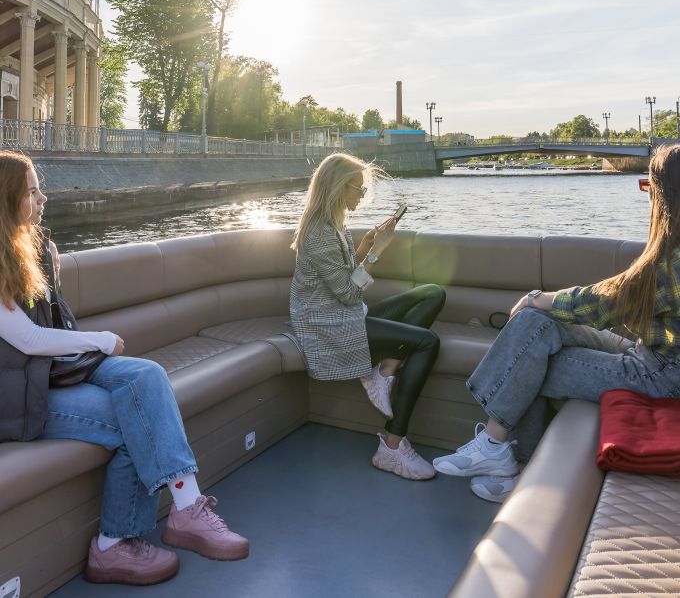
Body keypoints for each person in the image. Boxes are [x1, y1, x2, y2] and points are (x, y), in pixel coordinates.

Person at [0, 151, 249, 585]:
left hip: (56, 372)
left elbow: (52, 328)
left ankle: (187, 508)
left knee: (146, 376)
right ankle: (113, 545)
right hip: (19, 397)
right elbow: (28, 340)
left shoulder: (33, 247)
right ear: (5, 200)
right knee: (130, 418)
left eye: (40, 189)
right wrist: (99, 340)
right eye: (32, 192)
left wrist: (49, 267)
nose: (43, 199)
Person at [433, 143, 680, 503]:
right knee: (537, 324)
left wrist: (538, 296)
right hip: (651, 356)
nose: (647, 197)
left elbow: (609, 303)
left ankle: (509, 459)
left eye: (648, 188)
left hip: (663, 378)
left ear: (665, 195)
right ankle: (495, 446)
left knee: (533, 360)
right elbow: (619, 293)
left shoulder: (674, 263)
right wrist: (539, 304)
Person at [290, 152, 445, 480]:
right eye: (358, 189)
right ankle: (392, 446)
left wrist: (364, 245)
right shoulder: (319, 233)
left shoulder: (336, 225)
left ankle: (385, 369)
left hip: (346, 315)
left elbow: (344, 276)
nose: (363, 196)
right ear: (337, 188)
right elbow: (347, 292)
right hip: (327, 326)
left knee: (433, 293)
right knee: (427, 343)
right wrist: (378, 252)